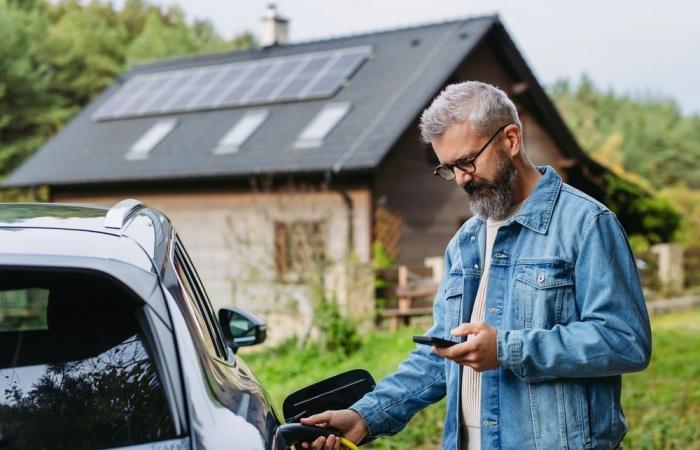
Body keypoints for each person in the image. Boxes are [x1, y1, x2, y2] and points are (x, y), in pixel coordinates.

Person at [300, 81, 652, 450]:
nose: (462, 179)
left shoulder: (586, 224)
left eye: (467, 161)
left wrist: (507, 349)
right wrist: (365, 416)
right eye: (449, 168)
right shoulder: (466, 240)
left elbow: (625, 340)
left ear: (511, 140)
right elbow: (443, 355)